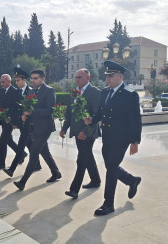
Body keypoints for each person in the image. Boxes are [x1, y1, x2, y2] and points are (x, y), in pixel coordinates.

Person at [84, 60, 142, 216]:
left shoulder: (130, 94)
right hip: (107, 137)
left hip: (121, 139)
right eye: (107, 76)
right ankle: (131, 180)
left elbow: (135, 119)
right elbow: (101, 113)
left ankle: (108, 204)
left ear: (120, 76)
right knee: (111, 166)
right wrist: (92, 120)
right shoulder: (105, 92)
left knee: (111, 169)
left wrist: (135, 141)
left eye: (111, 75)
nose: (107, 79)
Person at [13, 69, 61, 190]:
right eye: (32, 78)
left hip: (45, 127)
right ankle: (56, 172)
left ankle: (22, 182)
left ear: (43, 79)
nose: (33, 81)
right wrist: (26, 115)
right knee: (44, 152)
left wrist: (31, 112)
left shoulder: (49, 90)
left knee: (33, 154)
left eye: (36, 78)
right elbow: (29, 107)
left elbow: (50, 110)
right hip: (34, 127)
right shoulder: (32, 91)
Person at [60, 68, 101, 199]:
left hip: (88, 132)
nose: (77, 79)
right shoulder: (74, 93)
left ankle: (74, 189)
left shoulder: (95, 92)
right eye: (76, 77)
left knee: (81, 159)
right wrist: (64, 128)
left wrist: (85, 131)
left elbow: (96, 115)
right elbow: (69, 113)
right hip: (77, 132)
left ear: (88, 78)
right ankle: (96, 180)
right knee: (87, 156)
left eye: (80, 77)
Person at [3, 67, 41, 177]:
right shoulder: (17, 92)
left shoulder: (31, 92)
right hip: (22, 124)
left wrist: (26, 115)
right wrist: (14, 122)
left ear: (24, 80)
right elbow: (15, 109)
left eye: (18, 80)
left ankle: (12, 169)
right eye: (15, 80)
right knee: (29, 144)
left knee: (20, 146)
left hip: (29, 124)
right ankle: (37, 164)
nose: (16, 82)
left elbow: (35, 108)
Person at [0, 74, 24, 170]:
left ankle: (1, 163)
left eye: (3, 82)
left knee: (2, 142)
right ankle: (22, 154)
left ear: (9, 82)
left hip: (11, 121)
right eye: (1, 82)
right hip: (3, 120)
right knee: (8, 140)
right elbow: (0, 106)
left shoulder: (16, 92)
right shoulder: (2, 91)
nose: (1, 84)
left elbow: (17, 108)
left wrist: (13, 120)